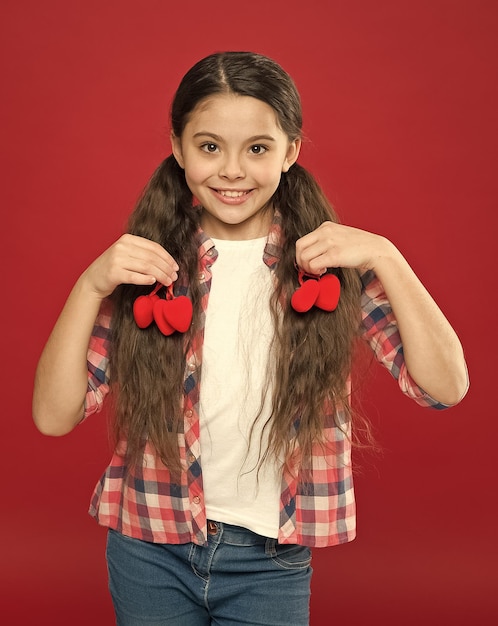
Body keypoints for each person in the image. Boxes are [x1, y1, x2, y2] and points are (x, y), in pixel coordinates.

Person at [32, 51, 468, 626]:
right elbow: (53, 416)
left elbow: (446, 386)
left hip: (270, 561)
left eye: (257, 149)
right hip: (149, 546)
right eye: (210, 146)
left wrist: (387, 257)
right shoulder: (151, 264)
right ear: (178, 147)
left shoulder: (327, 262)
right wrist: (89, 286)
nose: (232, 170)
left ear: (290, 151)